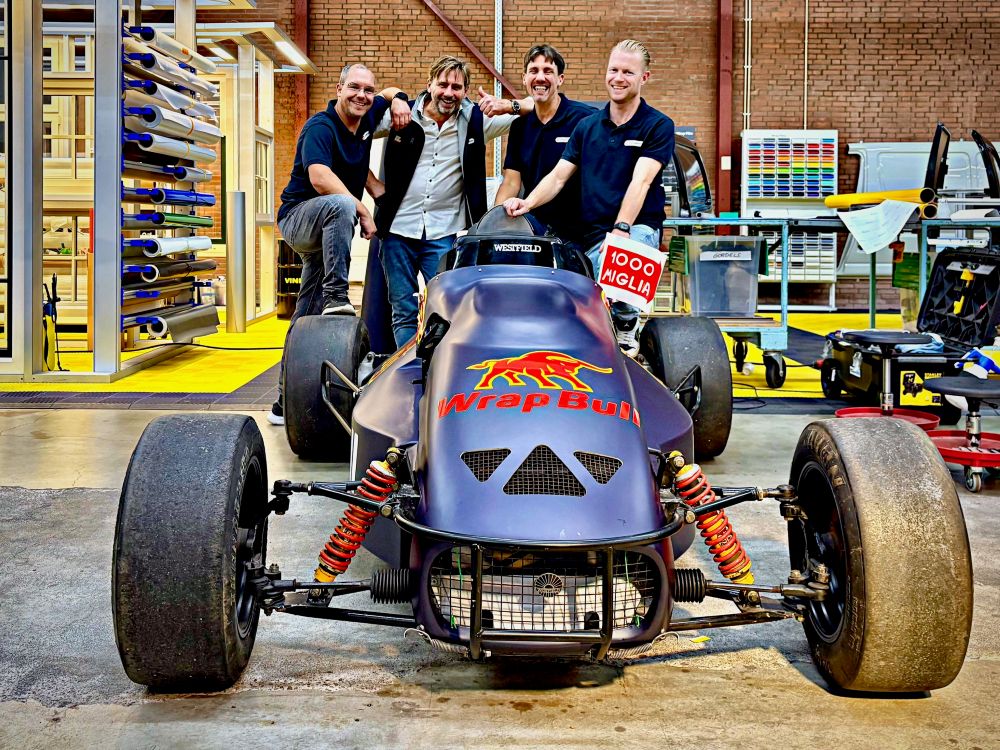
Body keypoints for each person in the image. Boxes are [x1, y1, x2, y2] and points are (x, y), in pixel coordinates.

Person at [502, 40, 675, 356]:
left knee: (623, 264)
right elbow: (558, 176)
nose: (618, 78)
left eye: (628, 72)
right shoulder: (587, 127)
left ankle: (626, 326)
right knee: (577, 310)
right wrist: (527, 203)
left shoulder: (658, 125)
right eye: (613, 70)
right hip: (591, 235)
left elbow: (641, 181)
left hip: (635, 228)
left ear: (644, 77)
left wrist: (622, 228)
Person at [268, 63, 410, 426]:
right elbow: (319, 178)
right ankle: (337, 295)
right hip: (299, 218)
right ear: (339, 89)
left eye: (367, 90)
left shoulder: (367, 115)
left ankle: (283, 400)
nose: (362, 95)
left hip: (328, 232)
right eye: (354, 88)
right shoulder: (320, 126)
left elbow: (389, 92)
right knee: (342, 205)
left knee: (304, 314)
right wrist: (363, 209)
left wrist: (399, 100)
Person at [373, 55, 535, 348]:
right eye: (443, 84)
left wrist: (506, 104)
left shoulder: (476, 120)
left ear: (465, 91)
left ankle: (439, 367)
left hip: (443, 233)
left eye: (457, 87)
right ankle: (410, 370)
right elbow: (353, 133)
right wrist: (373, 186)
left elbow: (534, 107)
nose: (449, 93)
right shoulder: (403, 115)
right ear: (429, 85)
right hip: (397, 230)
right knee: (403, 311)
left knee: (446, 310)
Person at [493, 44, 595, 242]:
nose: (540, 77)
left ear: (560, 79)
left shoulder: (584, 119)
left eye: (548, 71)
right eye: (534, 71)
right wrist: (494, 222)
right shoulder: (519, 127)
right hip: (535, 231)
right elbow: (511, 182)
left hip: (580, 234)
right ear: (524, 78)